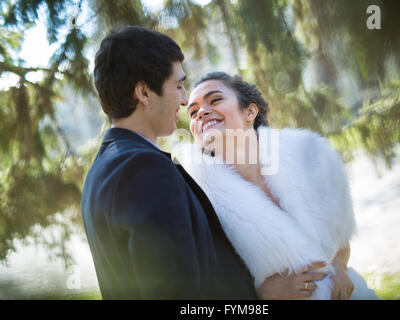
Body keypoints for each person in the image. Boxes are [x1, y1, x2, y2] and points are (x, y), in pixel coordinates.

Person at [81, 26, 323, 300]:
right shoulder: (145, 169)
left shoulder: (100, 173)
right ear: (144, 93)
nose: (184, 100)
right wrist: (259, 298)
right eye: (179, 85)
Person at [180, 72, 379, 299]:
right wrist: (260, 293)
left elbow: (340, 238)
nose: (201, 113)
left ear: (250, 112)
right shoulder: (195, 196)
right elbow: (200, 286)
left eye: (214, 100)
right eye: (193, 112)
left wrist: (341, 269)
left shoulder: (308, 153)